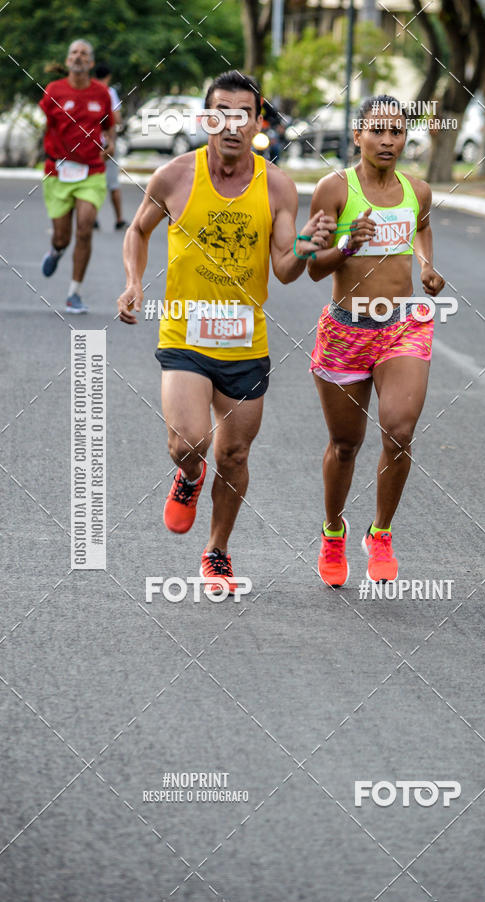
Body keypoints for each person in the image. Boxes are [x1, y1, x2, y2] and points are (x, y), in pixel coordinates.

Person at [117, 70, 334, 591]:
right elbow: (137, 230)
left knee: (234, 455)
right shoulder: (173, 176)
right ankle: (189, 478)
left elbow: (284, 269)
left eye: (245, 114)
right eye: (222, 113)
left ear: (258, 122)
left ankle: (217, 549)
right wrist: (133, 283)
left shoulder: (277, 185)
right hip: (185, 336)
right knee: (188, 444)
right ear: (206, 118)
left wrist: (305, 246)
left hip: (244, 342)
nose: (233, 125)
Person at [307, 94, 445, 587]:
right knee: (346, 445)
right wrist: (348, 245)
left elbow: (423, 229)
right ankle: (333, 531)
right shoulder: (333, 189)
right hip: (347, 328)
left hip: (402, 324)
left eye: (398, 132)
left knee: (400, 432)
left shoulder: (419, 191)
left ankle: (381, 533)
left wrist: (427, 267)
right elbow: (308, 262)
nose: (388, 141)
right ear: (358, 136)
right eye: (378, 131)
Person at [39, 39, 115, 313]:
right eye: (73, 52)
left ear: (91, 63)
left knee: (85, 227)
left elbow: (109, 126)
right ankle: (56, 251)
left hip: (91, 170)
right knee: (63, 237)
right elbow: (45, 126)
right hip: (58, 171)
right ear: (68, 60)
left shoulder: (101, 93)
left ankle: (74, 293)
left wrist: (112, 143)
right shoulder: (54, 90)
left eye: (84, 53)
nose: (78, 56)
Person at [95, 63, 128, 229]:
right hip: (107, 144)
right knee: (113, 184)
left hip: (90, 144)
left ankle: (91, 218)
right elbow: (115, 118)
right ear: (108, 77)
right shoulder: (109, 92)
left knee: (92, 181)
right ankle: (119, 219)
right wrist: (113, 142)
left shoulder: (89, 91)